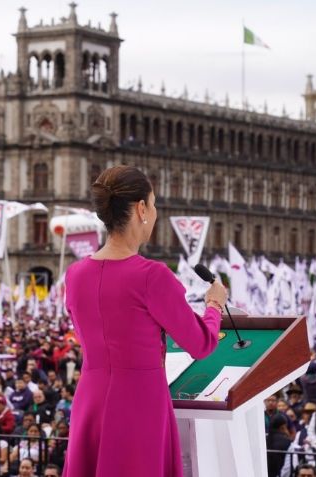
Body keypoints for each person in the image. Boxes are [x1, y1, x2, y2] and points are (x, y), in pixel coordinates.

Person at [62, 165, 226, 477]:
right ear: (141, 209)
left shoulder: (75, 274)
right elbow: (201, 343)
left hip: (90, 398)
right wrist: (214, 304)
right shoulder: (151, 276)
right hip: (138, 402)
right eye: (153, 203)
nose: (155, 210)